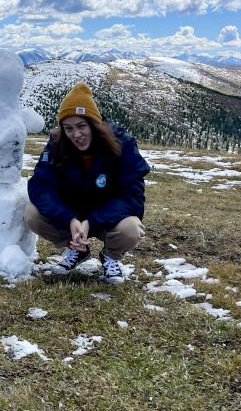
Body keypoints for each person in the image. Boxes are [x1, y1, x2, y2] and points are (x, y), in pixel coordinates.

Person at [25, 82, 150, 284]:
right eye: (68, 128)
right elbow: (40, 185)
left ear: (95, 124)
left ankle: (110, 256)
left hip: (107, 217)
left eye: (82, 126)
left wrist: (92, 221)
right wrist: (69, 219)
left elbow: (132, 197)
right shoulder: (56, 145)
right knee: (32, 215)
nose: (76, 135)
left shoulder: (122, 144)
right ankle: (77, 249)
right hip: (71, 216)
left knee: (131, 229)